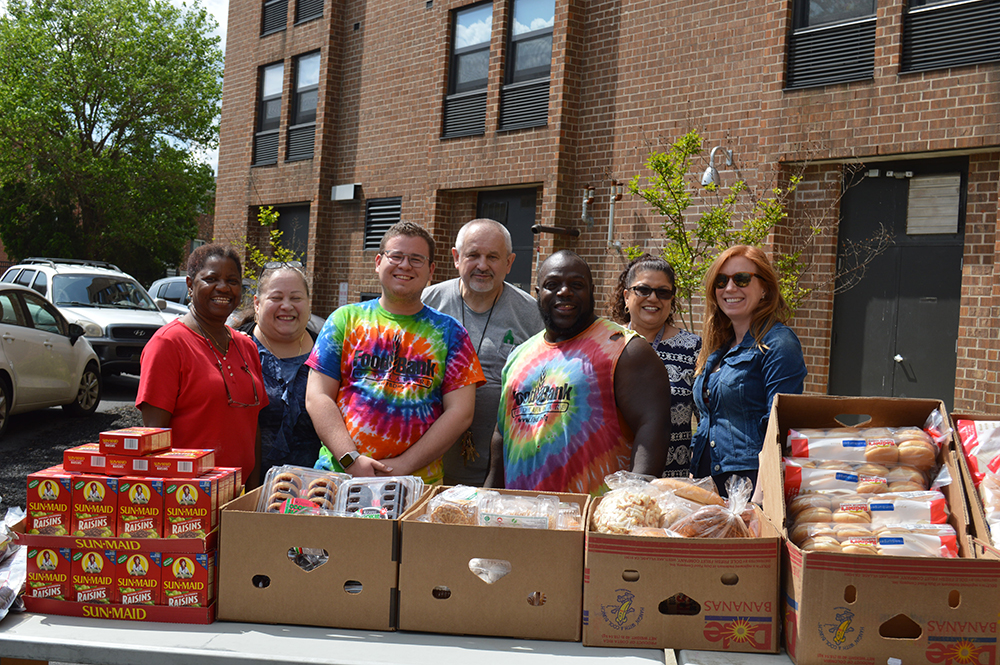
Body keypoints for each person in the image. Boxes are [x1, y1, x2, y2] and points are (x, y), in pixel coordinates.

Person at [305, 221, 486, 484]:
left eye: (416, 259)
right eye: (396, 256)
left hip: (415, 484)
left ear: (431, 270)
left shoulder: (451, 333)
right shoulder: (344, 320)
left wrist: (404, 466)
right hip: (339, 477)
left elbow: (460, 413)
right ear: (378, 262)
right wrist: (350, 459)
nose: (405, 265)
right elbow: (317, 396)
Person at [486, 250, 672, 496]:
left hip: (592, 514)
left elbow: (653, 429)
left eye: (576, 285)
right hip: (519, 513)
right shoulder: (518, 357)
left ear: (592, 291)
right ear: (538, 293)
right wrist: (488, 498)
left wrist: (633, 501)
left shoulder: (625, 350)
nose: (564, 292)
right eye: (552, 285)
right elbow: (502, 436)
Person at [422, 218, 544, 486]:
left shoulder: (533, 316)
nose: (482, 265)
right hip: (426, 470)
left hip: (502, 474)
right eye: (473, 255)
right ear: (456, 258)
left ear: (509, 263)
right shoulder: (425, 305)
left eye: (493, 257)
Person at [137, 244, 268, 488]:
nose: (223, 287)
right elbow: (154, 438)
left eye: (232, 281)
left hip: (237, 495)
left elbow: (253, 429)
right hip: (186, 496)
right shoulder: (168, 344)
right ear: (190, 285)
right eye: (211, 279)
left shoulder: (247, 347)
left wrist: (253, 493)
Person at [691, 245, 807, 495]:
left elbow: (779, 427)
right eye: (721, 281)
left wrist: (760, 500)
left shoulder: (779, 343)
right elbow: (708, 423)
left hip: (748, 485)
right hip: (708, 483)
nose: (730, 288)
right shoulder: (718, 348)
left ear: (765, 288)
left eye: (741, 279)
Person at [610, 254, 701, 478]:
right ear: (626, 296)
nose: (653, 298)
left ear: (671, 299)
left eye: (663, 292)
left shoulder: (693, 348)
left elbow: (706, 421)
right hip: (610, 479)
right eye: (643, 290)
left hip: (670, 484)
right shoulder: (606, 343)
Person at [238, 262, 321, 479]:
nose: (286, 306)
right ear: (257, 304)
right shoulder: (233, 349)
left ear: (308, 303)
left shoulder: (327, 353)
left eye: (296, 298)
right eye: (276, 298)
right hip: (243, 488)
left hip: (313, 488)